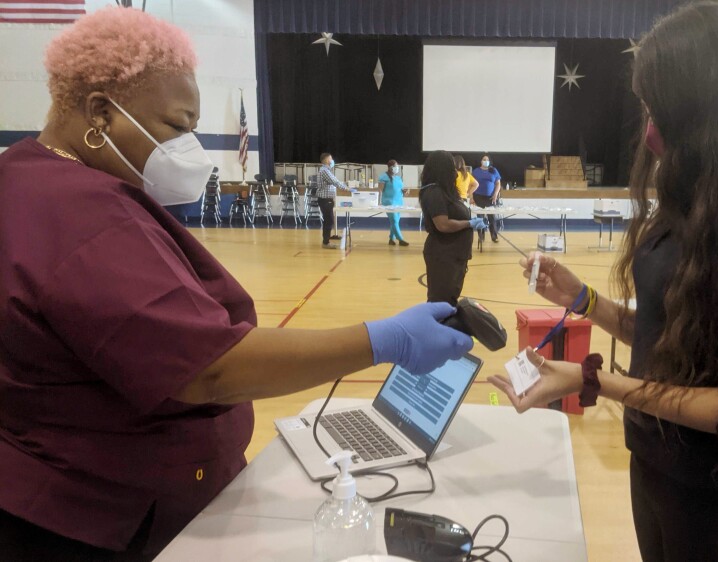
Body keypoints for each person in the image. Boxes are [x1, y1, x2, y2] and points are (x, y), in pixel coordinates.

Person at [0, 8, 473, 560]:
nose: (188, 149)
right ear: (101, 113)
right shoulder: (80, 210)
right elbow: (208, 368)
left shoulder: (25, 175)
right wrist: (383, 340)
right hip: (101, 519)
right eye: (176, 127)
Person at [489, 4, 718, 561]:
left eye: (658, 110)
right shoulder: (695, 200)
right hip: (658, 465)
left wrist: (593, 380)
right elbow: (674, 334)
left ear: (706, 112)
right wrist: (581, 298)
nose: (649, 130)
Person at [418, 150, 487, 305]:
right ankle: (437, 328)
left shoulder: (445, 190)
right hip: (443, 254)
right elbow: (442, 225)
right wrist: (468, 223)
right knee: (440, 301)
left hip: (454, 254)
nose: (454, 171)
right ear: (441, 168)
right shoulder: (434, 192)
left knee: (449, 299)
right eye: (451, 166)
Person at [316, 152, 354, 249]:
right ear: (327, 160)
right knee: (329, 220)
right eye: (331, 159)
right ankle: (326, 242)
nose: (332, 160)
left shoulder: (326, 171)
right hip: (325, 200)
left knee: (328, 220)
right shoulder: (325, 171)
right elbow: (335, 182)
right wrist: (347, 189)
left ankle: (326, 240)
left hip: (327, 199)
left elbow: (335, 181)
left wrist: (345, 186)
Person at [471, 153, 501, 243]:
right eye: (484, 159)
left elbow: (498, 183)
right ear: (481, 161)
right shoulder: (476, 171)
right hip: (478, 197)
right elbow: (471, 185)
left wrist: (495, 194)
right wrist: (471, 197)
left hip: (491, 198)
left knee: (492, 217)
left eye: (487, 160)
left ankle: (494, 236)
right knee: (480, 218)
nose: (485, 161)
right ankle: (481, 237)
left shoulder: (494, 170)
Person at [378, 159, 409, 246]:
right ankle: (400, 239)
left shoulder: (398, 178)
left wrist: (405, 191)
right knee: (394, 220)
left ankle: (391, 239)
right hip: (389, 202)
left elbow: (401, 189)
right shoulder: (383, 177)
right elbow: (380, 190)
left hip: (398, 202)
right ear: (391, 167)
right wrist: (378, 202)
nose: (397, 168)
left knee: (395, 221)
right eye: (396, 166)